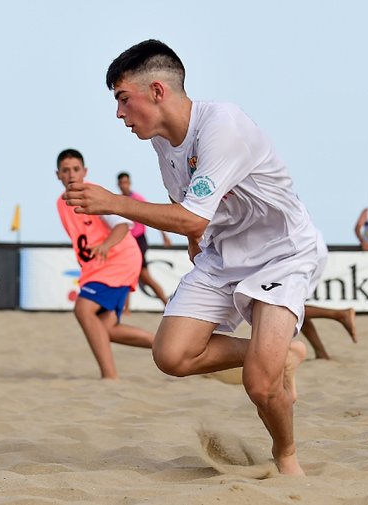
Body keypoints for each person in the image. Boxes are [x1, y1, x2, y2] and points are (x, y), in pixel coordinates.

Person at [63, 39, 326, 475]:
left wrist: (115, 202)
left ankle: (286, 456)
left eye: (124, 100)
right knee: (171, 356)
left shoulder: (222, 125)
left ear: (158, 91)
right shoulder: (164, 143)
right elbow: (191, 216)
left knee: (259, 383)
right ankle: (281, 352)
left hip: (283, 252)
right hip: (223, 255)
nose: (119, 114)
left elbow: (187, 216)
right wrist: (195, 250)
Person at [56, 149, 154, 379]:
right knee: (105, 328)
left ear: (85, 172)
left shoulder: (93, 195)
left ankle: (109, 378)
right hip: (96, 268)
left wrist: (106, 246)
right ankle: (172, 347)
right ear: (57, 174)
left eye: (76, 169)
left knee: (83, 308)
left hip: (119, 260)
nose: (71, 174)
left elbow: (122, 225)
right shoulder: (61, 204)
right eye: (66, 170)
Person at [116, 171, 172, 308]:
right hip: (127, 241)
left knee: (144, 276)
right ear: (118, 185)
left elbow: (153, 216)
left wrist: (164, 236)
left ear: (129, 183)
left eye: (126, 182)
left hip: (139, 241)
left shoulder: (137, 198)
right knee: (128, 274)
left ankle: (166, 303)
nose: (124, 185)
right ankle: (126, 308)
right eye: (122, 183)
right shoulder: (117, 201)